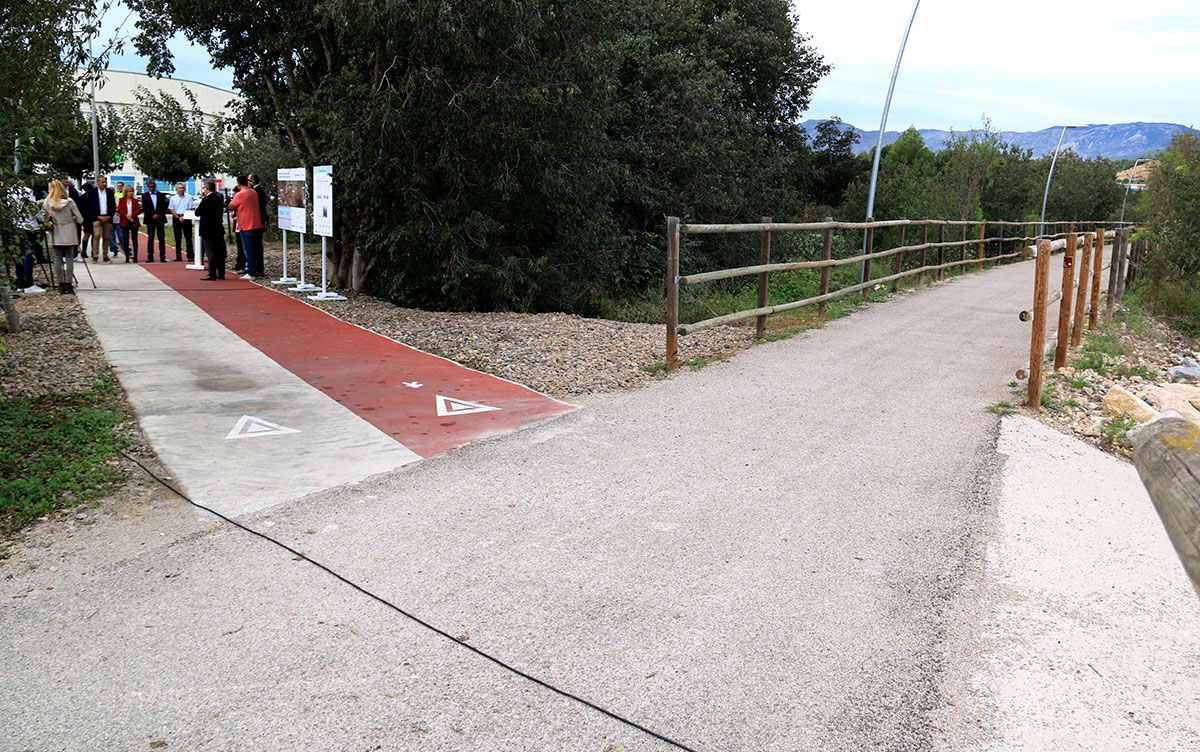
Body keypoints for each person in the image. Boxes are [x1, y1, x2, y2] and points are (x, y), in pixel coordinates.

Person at [42, 179, 84, 294]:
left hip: (56, 232)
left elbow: (41, 217)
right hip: (69, 231)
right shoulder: (69, 201)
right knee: (70, 258)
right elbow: (80, 219)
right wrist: (73, 219)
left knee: (57, 258)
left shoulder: (47, 202)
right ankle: (69, 284)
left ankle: (60, 284)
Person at [227, 175, 263, 279]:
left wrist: (231, 202)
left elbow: (231, 206)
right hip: (256, 223)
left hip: (246, 224)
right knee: (255, 248)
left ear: (238, 184)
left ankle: (250, 271)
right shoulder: (253, 192)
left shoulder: (240, 194)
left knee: (248, 249)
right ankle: (256, 269)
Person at [12, 184, 45, 294]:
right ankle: (28, 284)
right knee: (28, 255)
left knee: (19, 255)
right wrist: (43, 217)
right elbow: (32, 210)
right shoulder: (27, 191)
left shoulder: (10, 191)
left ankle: (20, 283)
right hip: (28, 225)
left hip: (16, 225)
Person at [196, 180, 227, 280]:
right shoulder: (219, 198)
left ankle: (212, 273)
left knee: (210, 252)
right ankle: (221, 272)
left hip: (208, 229)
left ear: (206, 188)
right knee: (220, 251)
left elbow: (198, 212)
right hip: (218, 228)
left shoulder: (206, 199)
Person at [82, 176, 115, 262]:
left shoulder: (109, 192)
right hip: (96, 217)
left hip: (107, 217)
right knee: (96, 236)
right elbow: (90, 206)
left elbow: (113, 205)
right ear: (98, 182)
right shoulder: (92, 192)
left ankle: (105, 255)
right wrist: (97, 216)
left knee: (106, 237)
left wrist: (109, 216)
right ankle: (95, 256)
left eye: (105, 182)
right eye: (102, 182)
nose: (104, 184)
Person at [141, 179, 170, 262]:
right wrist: (152, 214)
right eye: (150, 187)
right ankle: (150, 256)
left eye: (153, 186)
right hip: (150, 219)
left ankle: (162, 256)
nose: (152, 188)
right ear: (147, 187)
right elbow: (144, 207)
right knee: (150, 238)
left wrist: (158, 214)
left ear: (155, 186)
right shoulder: (145, 196)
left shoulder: (161, 195)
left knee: (161, 237)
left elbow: (164, 206)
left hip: (160, 218)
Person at [168, 182, 197, 262]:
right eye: (179, 188)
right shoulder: (173, 198)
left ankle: (190, 256)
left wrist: (184, 217)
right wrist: (178, 217)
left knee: (188, 238)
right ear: (176, 189)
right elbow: (171, 209)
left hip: (187, 218)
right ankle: (178, 257)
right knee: (177, 238)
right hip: (176, 218)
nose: (181, 189)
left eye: (183, 188)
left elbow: (190, 208)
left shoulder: (189, 197)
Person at [115, 185, 142, 262]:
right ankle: (127, 256)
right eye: (129, 191)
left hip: (134, 221)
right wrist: (126, 215)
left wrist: (132, 215)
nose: (130, 193)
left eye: (131, 191)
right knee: (125, 240)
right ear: (125, 192)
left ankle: (136, 256)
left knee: (134, 239)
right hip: (125, 221)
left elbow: (138, 210)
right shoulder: (122, 200)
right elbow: (119, 210)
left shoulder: (135, 200)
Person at [77, 181, 95, 260]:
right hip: (87, 218)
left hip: (89, 218)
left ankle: (91, 251)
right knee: (88, 234)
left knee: (92, 235)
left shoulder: (82, 198)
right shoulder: (83, 198)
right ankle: (84, 251)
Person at [108, 180, 125, 252]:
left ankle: (125, 248)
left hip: (120, 218)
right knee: (111, 235)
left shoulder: (124, 196)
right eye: (118, 186)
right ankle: (114, 248)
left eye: (120, 186)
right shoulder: (114, 195)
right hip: (112, 217)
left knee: (121, 235)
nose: (119, 187)